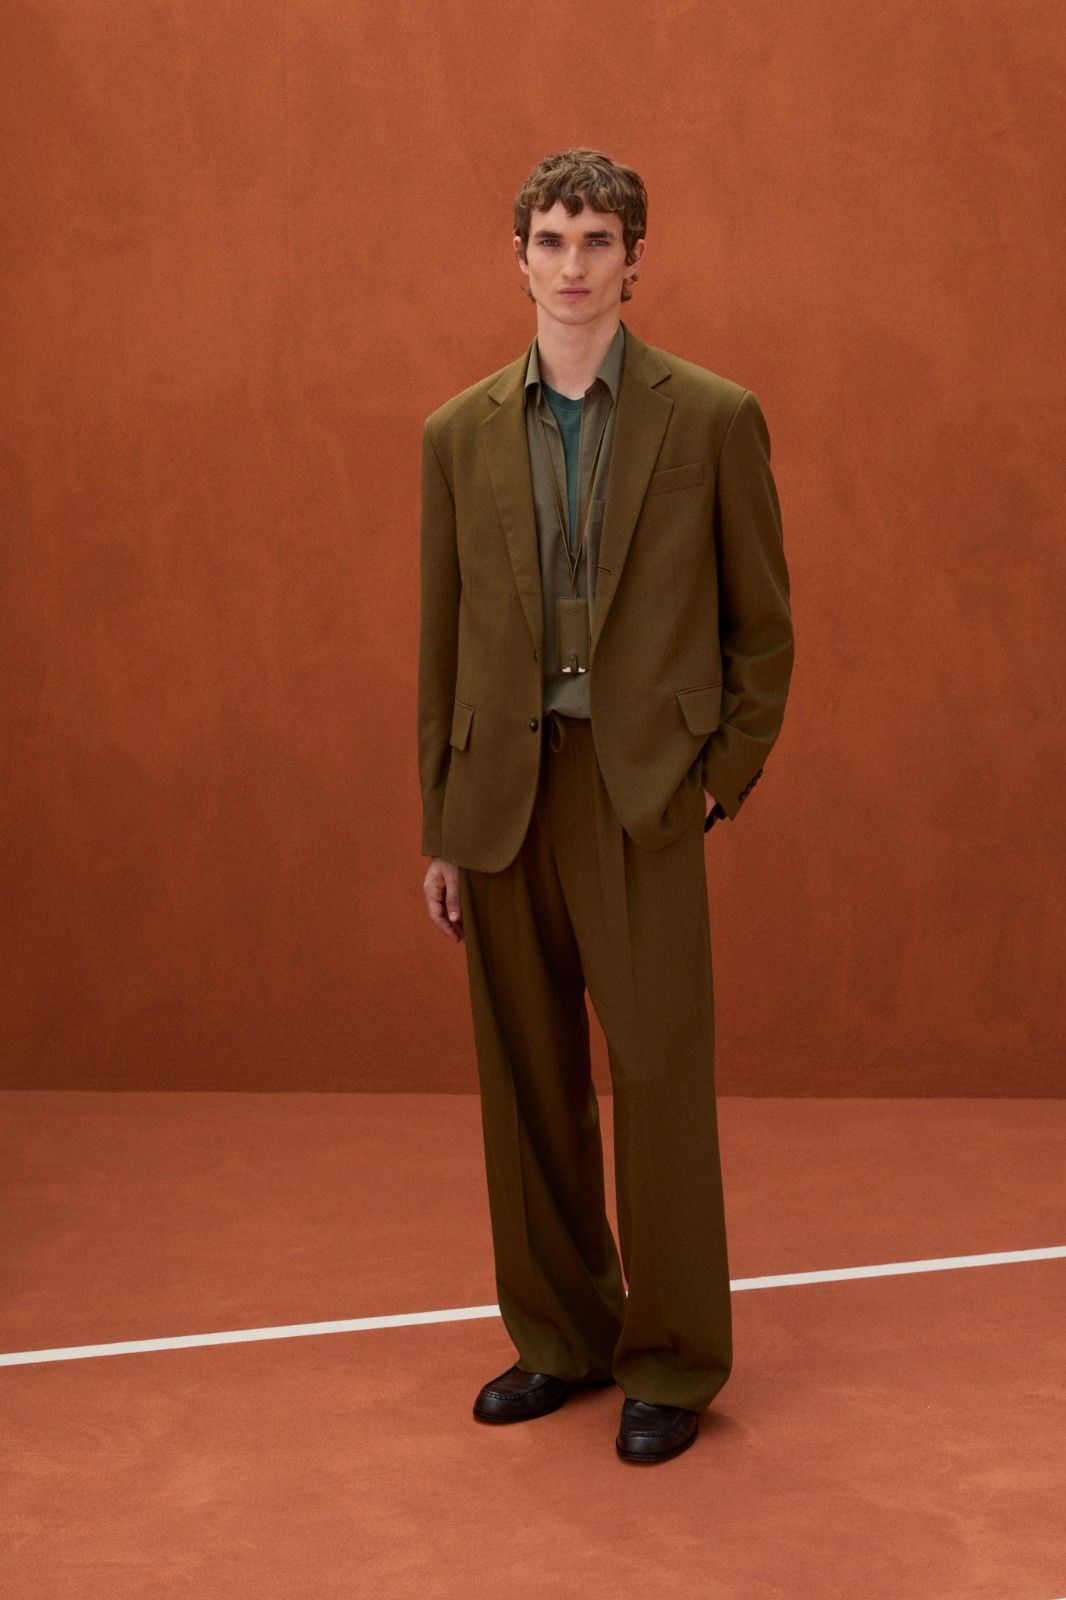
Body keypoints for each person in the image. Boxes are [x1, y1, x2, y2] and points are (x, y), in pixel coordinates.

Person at [417, 148, 794, 1463]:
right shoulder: (456, 433)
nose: (572, 264)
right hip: (500, 797)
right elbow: (442, 641)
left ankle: (673, 1360)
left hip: (641, 794)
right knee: (526, 1081)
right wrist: (442, 824)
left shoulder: (712, 417)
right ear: (517, 257)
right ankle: (559, 1338)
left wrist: (719, 779)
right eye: (551, 239)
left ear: (636, 260)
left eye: (596, 240)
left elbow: (762, 627)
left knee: (657, 1077)